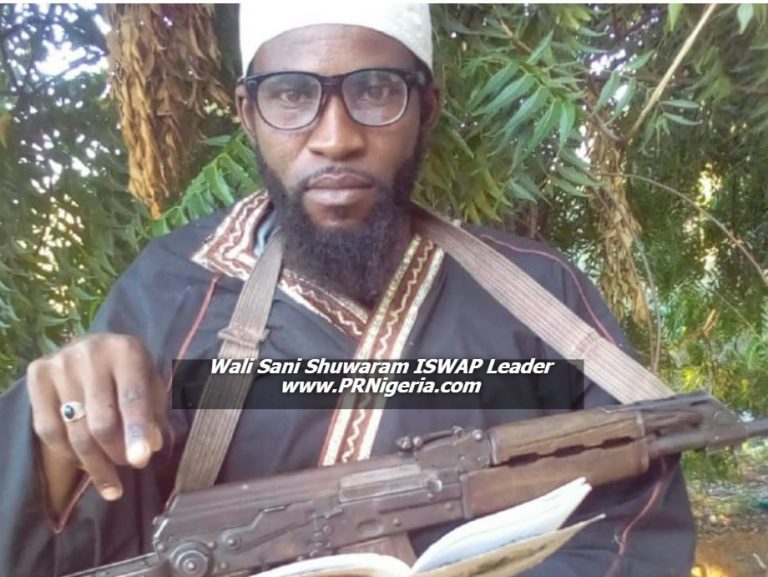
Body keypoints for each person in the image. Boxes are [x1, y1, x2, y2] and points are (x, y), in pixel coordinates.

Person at [0, 4, 696, 577]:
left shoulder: (540, 292)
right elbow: (67, 542)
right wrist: (59, 437)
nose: (335, 138)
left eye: (374, 91)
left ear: (425, 108)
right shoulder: (169, 294)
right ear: (248, 112)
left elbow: (637, 512)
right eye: (292, 95)